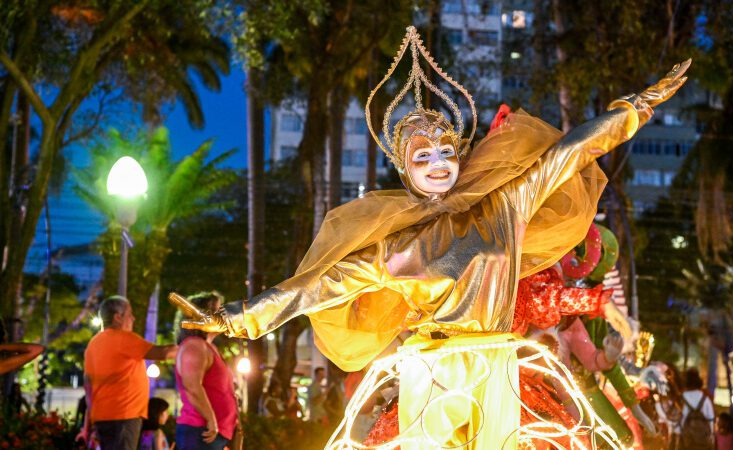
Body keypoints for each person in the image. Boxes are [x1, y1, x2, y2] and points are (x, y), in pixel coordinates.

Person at [171, 26, 689, 450]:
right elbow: (315, 287)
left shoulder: (504, 205)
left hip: (498, 360)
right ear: (406, 171)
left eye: (446, 152)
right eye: (423, 157)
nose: (439, 164)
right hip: (432, 368)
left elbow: (567, 155)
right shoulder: (396, 248)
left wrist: (634, 109)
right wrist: (238, 317)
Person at [80, 296, 178, 450]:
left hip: (101, 419)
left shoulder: (93, 344)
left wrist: (87, 426)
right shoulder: (124, 338)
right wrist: (190, 343)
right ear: (118, 317)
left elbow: (88, 388)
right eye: (129, 314)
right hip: (124, 416)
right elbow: (164, 353)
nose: (133, 318)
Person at [175, 292, 238, 450]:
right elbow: (192, 386)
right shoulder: (194, 346)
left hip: (212, 433)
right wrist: (211, 420)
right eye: (218, 311)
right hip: (201, 432)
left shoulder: (208, 347)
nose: (223, 316)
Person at [676, 368, 714, 450]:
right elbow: (711, 419)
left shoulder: (681, 398)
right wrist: (711, 436)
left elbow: (678, 420)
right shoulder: (705, 399)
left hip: (686, 441)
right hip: (703, 442)